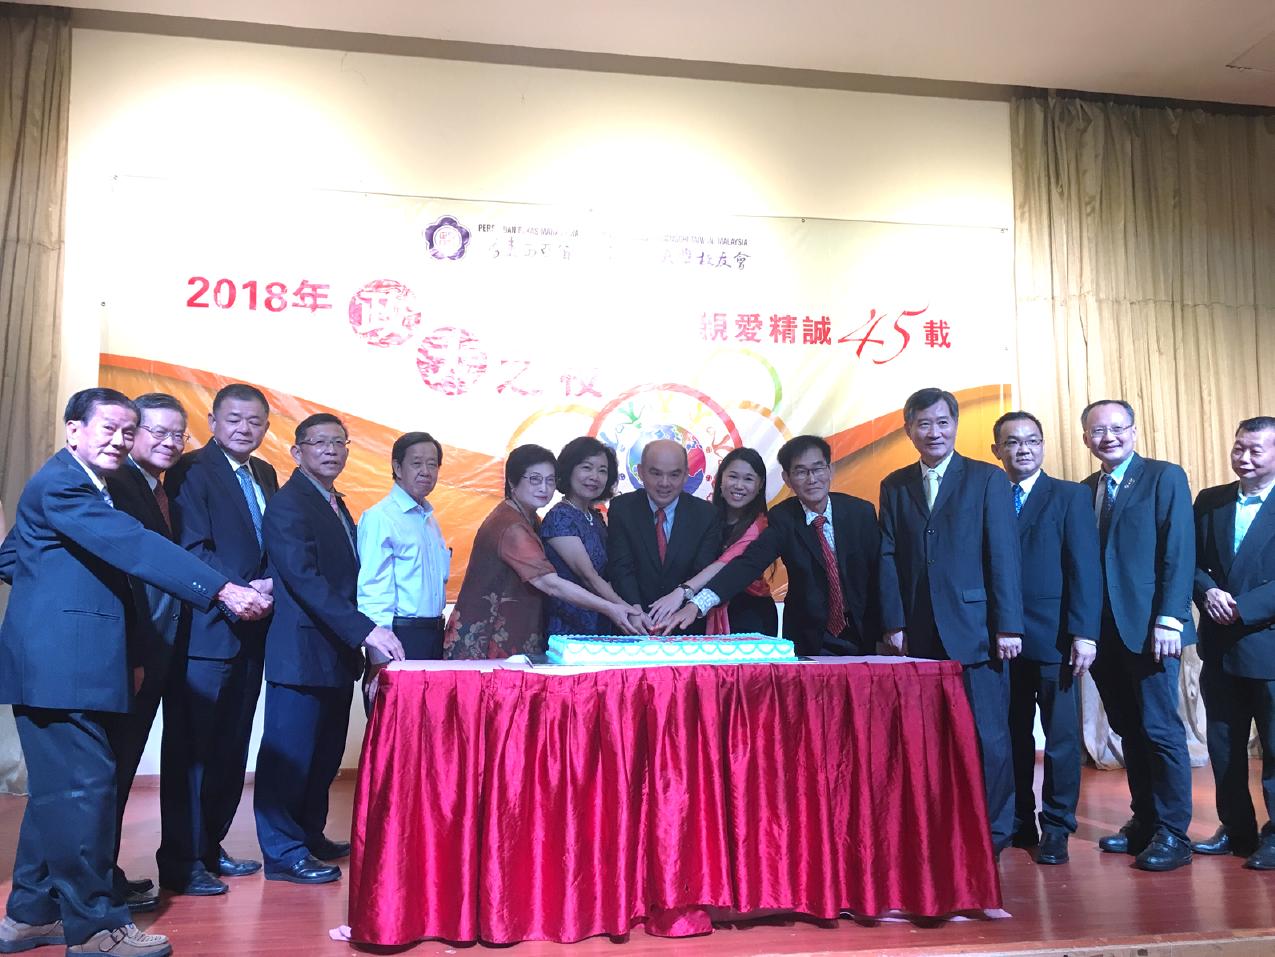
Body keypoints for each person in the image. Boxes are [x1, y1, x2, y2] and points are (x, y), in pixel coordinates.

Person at [0, 388, 269, 957]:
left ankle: (30, 914)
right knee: (85, 796)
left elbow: (13, 556)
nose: (121, 440)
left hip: (72, 662)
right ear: (74, 430)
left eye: (128, 431)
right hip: (63, 667)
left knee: (64, 796)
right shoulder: (65, 483)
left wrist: (55, 590)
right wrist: (219, 586)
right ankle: (97, 928)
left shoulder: (84, 483)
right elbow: (130, 542)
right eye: (109, 429)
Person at [255, 414, 406, 884]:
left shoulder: (336, 504)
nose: (331, 450)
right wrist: (366, 631)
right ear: (297, 452)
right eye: (318, 443)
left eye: (338, 443)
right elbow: (304, 580)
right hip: (300, 652)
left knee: (323, 755)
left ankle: (309, 835)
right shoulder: (288, 505)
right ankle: (283, 852)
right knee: (290, 755)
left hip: (334, 653)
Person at [878, 387, 1023, 854]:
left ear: (956, 425)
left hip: (976, 628)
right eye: (923, 424)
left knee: (990, 737)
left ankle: (995, 833)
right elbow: (888, 555)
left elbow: (1003, 555)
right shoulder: (895, 484)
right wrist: (894, 621)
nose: (933, 432)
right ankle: (941, 827)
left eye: (942, 422)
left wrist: (1009, 626)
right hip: (918, 631)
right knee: (929, 737)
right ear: (909, 430)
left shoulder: (986, 479)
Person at [158, 383, 278, 896]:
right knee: (192, 750)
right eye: (234, 418)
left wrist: (271, 582)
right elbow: (190, 549)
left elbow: (273, 541)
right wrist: (237, 591)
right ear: (211, 420)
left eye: (254, 421)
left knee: (231, 748)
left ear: (267, 427)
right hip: (206, 630)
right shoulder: (190, 470)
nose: (243, 428)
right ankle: (181, 862)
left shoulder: (266, 473)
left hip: (255, 630)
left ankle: (210, 847)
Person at [1081, 399, 1196, 871]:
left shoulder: (1163, 476)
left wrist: (1170, 617)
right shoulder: (1086, 488)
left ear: (1133, 430)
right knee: (1128, 729)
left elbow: (1179, 549)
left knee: (1160, 730)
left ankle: (1174, 833)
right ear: (1085, 438)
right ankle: (1144, 821)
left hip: (1151, 629)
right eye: (1098, 431)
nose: (1108, 437)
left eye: (1117, 428)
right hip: (1105, 633)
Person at [989, 411, 1101, 865]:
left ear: (1044, 445)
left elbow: (1085, 570)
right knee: (1011, 735)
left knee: (1060, 739)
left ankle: (1057, 826)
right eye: (1012, 442)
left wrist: (1084, 634)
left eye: (1032, 441)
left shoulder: (1069, 496)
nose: (1023, 450)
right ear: (997, 450)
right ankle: (1019, 821)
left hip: (1056, 640)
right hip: (1001, 640)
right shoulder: (989, 495)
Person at [102, 393, 192, 912]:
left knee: (121, 769)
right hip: (124, 656)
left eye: (178, 434)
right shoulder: (113, 484)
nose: (169, 442)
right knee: (105, 777)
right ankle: (86, 883)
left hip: (154, 653)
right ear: (132, 433)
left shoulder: (158, 489)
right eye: (157, 432)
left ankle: (105, 873)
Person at [669, 439, 880, 654]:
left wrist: (893, 627)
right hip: (811, 636)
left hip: (864, 630)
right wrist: (699, 603)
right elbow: (748, 564)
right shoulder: (783, 518)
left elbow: (882, 571)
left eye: (818, 469)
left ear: (830, 469)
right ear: (787, 479)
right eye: (801, 472)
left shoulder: (861, 513)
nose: (812, 479)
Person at [444, 444, 640, 659]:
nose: (544, 488)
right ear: (512, 481)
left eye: (550, 480)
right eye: (535, 479)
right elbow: (551, 583)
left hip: (515, 634)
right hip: (485, 641)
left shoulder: (530, 518)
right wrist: (611, 608)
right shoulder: (512, 526)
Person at [1191, 416, 1275, 869]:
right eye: (1238, 448)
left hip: (1268, 645)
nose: (1244, 458)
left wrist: (1244, 605)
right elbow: (1187, 559)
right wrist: (1207, 591)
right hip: (1220, 646)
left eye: (1255, 450)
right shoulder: (1211, 501)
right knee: (1224, 746)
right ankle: (1236, 829)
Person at [606, 439, 722, 634]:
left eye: (674, 474)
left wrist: (678, 611)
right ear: (641, 472)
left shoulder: (706, 515)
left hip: (685, 626)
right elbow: (621, 568)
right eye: (655, 473)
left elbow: (702, 571)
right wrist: (635, 611)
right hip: (632, 624)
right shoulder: (622, 508)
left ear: (686, 475)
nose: (664, 483)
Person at [357, 431, 451, 670]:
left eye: (432, 464)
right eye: (417, 463)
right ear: (397, 468)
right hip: (400, 637)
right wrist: (379, 657)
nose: (426, 472)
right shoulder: (381, 517)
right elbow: (373, 590)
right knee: (397, 707)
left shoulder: (429, 519)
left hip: (434, 636)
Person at [540, 436, 638, 635]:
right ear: (569, 471)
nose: (595, 476)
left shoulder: (594, 516)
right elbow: (588, 576)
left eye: (602, 471)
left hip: (602, 620)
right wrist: (628, 610)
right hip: (569, 626)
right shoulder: (560, 517)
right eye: (587, 467)